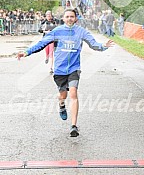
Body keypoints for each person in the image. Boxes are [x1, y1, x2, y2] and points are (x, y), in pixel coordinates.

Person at [17, 8, 113, 137]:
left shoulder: (81, 32)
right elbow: (41, 44)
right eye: (67, 16)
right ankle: (61, 105)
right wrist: (26, 52)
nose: (69, 19)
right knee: (63, 95)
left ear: (76, 18)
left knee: (73, 92)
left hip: (74, 68)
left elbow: (93, 44)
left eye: (72, 16)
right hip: (60, 70)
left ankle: (74, 126)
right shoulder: (57, 31)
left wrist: (103, 46)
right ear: (63, 18)